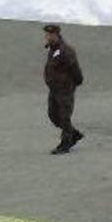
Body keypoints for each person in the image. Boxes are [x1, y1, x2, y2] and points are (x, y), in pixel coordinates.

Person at [42, 24, 85, 154]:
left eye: (50, 35)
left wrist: (74, 83)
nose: (47, 37)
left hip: (65, 89)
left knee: (64, 116)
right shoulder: (53, 49)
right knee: (53, 115)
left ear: (56, 34)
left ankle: (65, 144)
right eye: (46, 35)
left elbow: (75, 68)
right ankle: (74, 134)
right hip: (54, 89)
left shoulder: (66, 50)